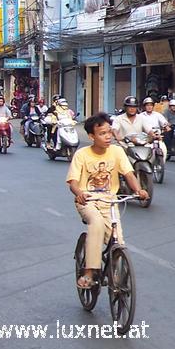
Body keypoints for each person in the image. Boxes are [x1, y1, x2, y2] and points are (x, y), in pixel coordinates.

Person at [66, 113, 149, 290]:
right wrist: (79, 193)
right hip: (87, 200)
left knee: (118, 241)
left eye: (109, 132)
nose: (108, 136)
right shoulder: (82, 155)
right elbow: (73, 182)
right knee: (95, 223)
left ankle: (116, 278)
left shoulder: (117, 151)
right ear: (91, 136)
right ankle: (90, 271)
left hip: (110, 202)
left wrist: (138, 190)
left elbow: (128, 173)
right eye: (102, 133)